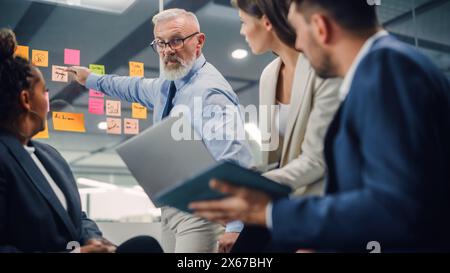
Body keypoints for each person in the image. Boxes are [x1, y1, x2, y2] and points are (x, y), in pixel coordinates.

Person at [190, 0, 450, 252]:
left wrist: (270, 213)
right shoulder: (385, 67)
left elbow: (393, 208)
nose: (299, 43)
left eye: (298, 30)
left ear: (321, 27)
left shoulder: (384, 72)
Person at [67, 8, 253, 253]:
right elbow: (132, 87)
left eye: (176, 40)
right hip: (171, 208)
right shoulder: (169, 84)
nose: (167, 50)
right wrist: (90, 79)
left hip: (202, 212)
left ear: (199, 41)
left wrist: (235, 225)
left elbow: (233, 157)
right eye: (160, 43)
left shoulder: (210, 92)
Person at [218, 0, 341, 253]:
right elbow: (274, 157)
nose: (242, 31)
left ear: (266, 22)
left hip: (318, 200)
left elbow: (318, 160)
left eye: (243, 22)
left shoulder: (323, 70)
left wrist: (250, 188)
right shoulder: (268, 75)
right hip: (279, 200)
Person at [0, 28, 116, 253]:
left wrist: (92, 239)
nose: (48, 100)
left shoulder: (50, 156)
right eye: (45, 91)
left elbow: (77, 217)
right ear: (26, 99)